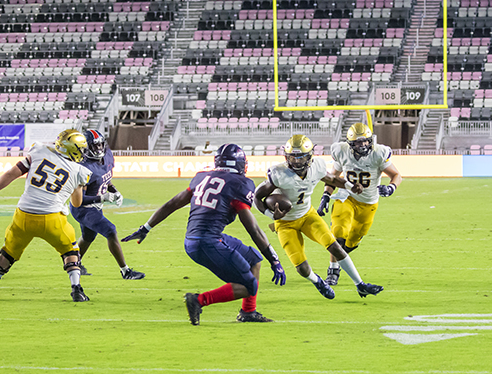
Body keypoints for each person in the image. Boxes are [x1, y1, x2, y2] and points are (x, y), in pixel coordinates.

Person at [121, 144, 286, 325]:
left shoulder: (202, 177)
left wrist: (145, 228)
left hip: (200, 238)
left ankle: (248, 312)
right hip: (207, 243)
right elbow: (253, 229)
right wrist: (274, 259)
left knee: (253, 259)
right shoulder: (241, 184)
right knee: (249, 286)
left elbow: (173, 203)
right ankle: (199, 301)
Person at [253, 135, 383, 300]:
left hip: (308, 215)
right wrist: (271, 215)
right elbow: (257, 197)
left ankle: (360, 285)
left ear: (309, 156)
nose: (297, 161)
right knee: (302, 268)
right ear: (286, 156)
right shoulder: (278, 173)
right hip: (285, 223)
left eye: (300, 157)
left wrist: (350, 186)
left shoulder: (317, 166)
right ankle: (317, 281)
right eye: (293, 157)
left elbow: (332, 179)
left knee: (335, 247)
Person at [0, 129, 93, 302]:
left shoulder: (39, 151)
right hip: (52, 219)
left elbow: (11, 174)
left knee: (8, 251)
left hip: (23, 216)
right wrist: (78, 186)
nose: (83, 153)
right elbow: (76, 203)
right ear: (73, 149)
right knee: (71, 250)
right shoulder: (79, 170)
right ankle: (76, 289)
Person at [316, 123, 402, 286]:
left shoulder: (378, 153)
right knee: (339, 232)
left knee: (352, 242)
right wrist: (326, 196)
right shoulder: (341, 151)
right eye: (358, 142)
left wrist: (391, 187)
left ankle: (341, 261)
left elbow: (396, 175)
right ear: (350, 143)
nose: (363, 145)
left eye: (365, 141)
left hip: (368, 203)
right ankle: (333, 271)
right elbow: (333, 176)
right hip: (346, 196)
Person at [70, 129, 144, 280]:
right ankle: (125, 271)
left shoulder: (107, 156)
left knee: (88, 236)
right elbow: (79, 200)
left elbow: (105, 179)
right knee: (110, 231)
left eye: (100, 145)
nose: (98, 149)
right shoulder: (83, 168)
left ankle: (75, 264)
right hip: (83, 208)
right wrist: (103, 198)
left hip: (95, 206)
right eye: (94, 146)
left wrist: (115, 191)